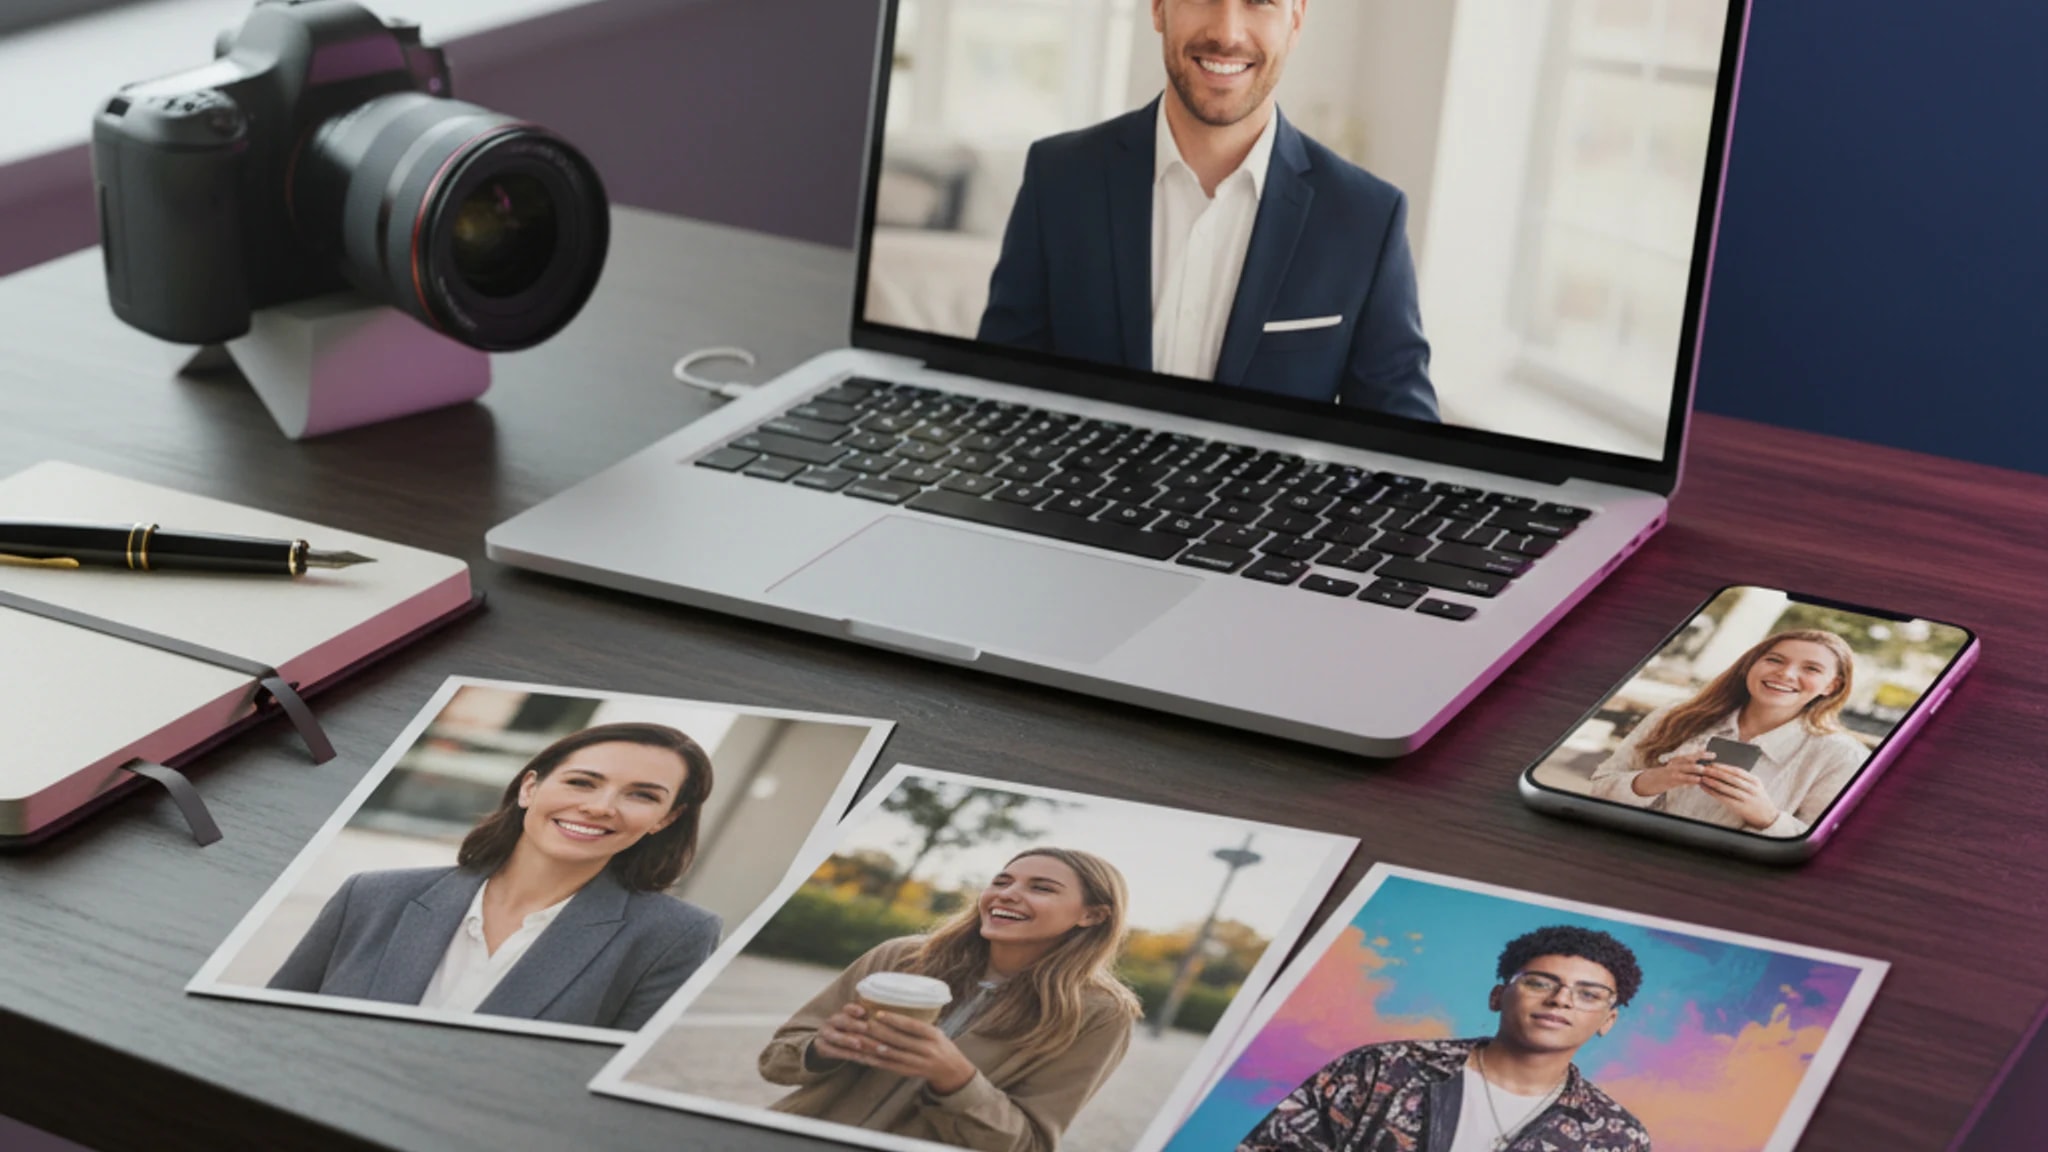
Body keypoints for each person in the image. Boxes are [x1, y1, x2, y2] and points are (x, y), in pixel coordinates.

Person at [976, 0, 1437, 421]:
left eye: (1259, 2)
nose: (1227, 31)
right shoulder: (1056, 179)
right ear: (1158, 8)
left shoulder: (1369, 219)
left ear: (1295, 18)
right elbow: (996, 400)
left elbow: (1404, 460)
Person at [268, 722, 722, 1031]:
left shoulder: (673, 936)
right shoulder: (371, 896)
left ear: (665, 818)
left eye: (641, 795)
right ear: (530, 788)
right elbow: (266, 1024)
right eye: (582, 782)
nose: (600, 807)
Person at [759, 847, 1144, 1152]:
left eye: (1041, 888)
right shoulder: (900, 958)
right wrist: (821, 1050)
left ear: (1092, 915)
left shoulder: (1100, 1014)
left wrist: (956, 1081)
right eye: (1002, 881)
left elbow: (1030, 1144)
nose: (1007, 894)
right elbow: (776, 1061)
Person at [1240, 926, 1650, 1152]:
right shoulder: (1383, 1069)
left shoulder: (1615, 1135)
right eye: (1540, 983)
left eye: (1589, 994)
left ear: (1607, 1020)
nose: (1561, 1000)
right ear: (1497, 996)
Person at [1588, 629, 1868, 838]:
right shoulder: (1675, 716)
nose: (1786, 674)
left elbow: (1823, 843)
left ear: (1831, 686)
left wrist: (1767, 818)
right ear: (1751, 665)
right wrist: (1652, 780)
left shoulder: (1842, 757)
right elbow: (1599, 787)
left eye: (1811, 668)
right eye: (1775, 660)